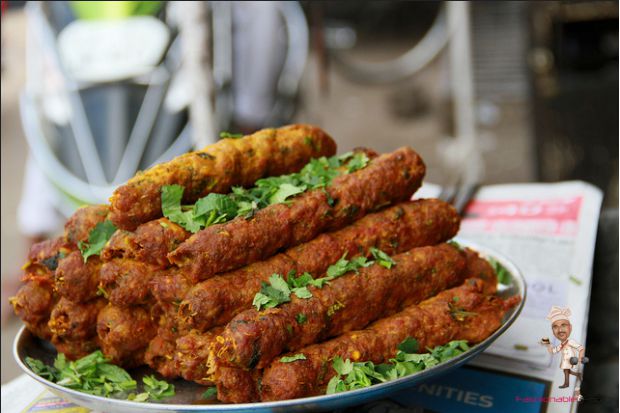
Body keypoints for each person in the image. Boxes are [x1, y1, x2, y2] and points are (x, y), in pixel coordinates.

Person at [540, 306, 585, 389]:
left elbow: (581, 348)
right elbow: (553, 351)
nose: (560, 330)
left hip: (571, 359)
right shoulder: (561, 344)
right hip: (565, 359)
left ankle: (567, 383)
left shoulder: (571, 342)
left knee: (566, 371)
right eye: (555, 327)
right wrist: (547, 344)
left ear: (570, 328)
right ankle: (574, 377)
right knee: (566, 371)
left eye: (563, 325)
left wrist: (580, 358)